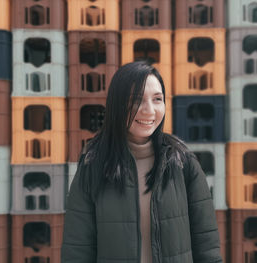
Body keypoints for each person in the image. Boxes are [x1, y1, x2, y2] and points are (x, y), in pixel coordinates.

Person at [61, 61, 223, 263]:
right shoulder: (93, 165)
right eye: (136, 100)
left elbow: (207, 247)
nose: (149, 110)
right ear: (117, 105)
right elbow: (76, 251)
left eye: (157, 99)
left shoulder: (182, 162)